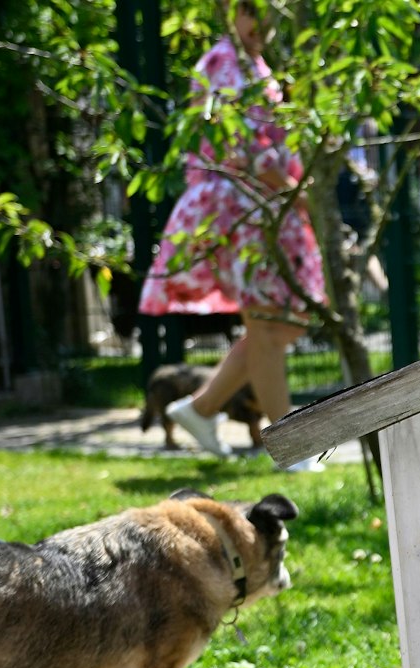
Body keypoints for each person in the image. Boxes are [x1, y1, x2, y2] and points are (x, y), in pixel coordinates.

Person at [138, 0, 325, 470]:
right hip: (238, 205)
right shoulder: (223, 62)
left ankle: (199, 410)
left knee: (276, 325)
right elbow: (239, 140)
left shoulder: (252, 64)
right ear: (229, 11)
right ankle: (291, 446)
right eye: (249, 9)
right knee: (265, 323)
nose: (260, 22)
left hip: (259, 204)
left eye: (268, 10)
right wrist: (292, 187)